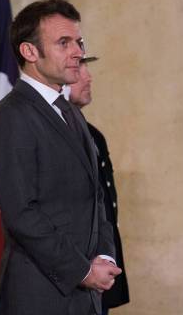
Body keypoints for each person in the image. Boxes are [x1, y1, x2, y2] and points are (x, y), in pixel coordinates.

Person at [0, 0, 122, 315]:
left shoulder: (71, 114)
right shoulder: (11, 117)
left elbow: (95, 196)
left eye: (79, 41)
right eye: (64, 43)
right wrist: (83, 271)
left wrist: (105, 256)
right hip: (39, 296)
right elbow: (22, 213)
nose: (78, 52)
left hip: (85, 298)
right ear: (30, 52)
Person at [69, 56, 130, 314]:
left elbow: (104, 205)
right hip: (74, 272)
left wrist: (106, 257)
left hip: (98, 269)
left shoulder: (93, 135)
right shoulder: (54, 134)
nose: (88, 76)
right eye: (80, 67)